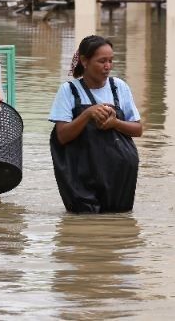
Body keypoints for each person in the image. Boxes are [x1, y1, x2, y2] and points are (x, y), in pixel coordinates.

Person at [49, 35, 142, 213]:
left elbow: (138, 129)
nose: (108, 66)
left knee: (118, 224)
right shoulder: (69, 91)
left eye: (110, 60)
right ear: (84, 61)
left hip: (120, 174)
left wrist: (115, 123)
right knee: (83, 222)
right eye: (102, 61)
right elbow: (62, 136)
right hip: (81, 176)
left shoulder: (119, 87)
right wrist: (87, 114)